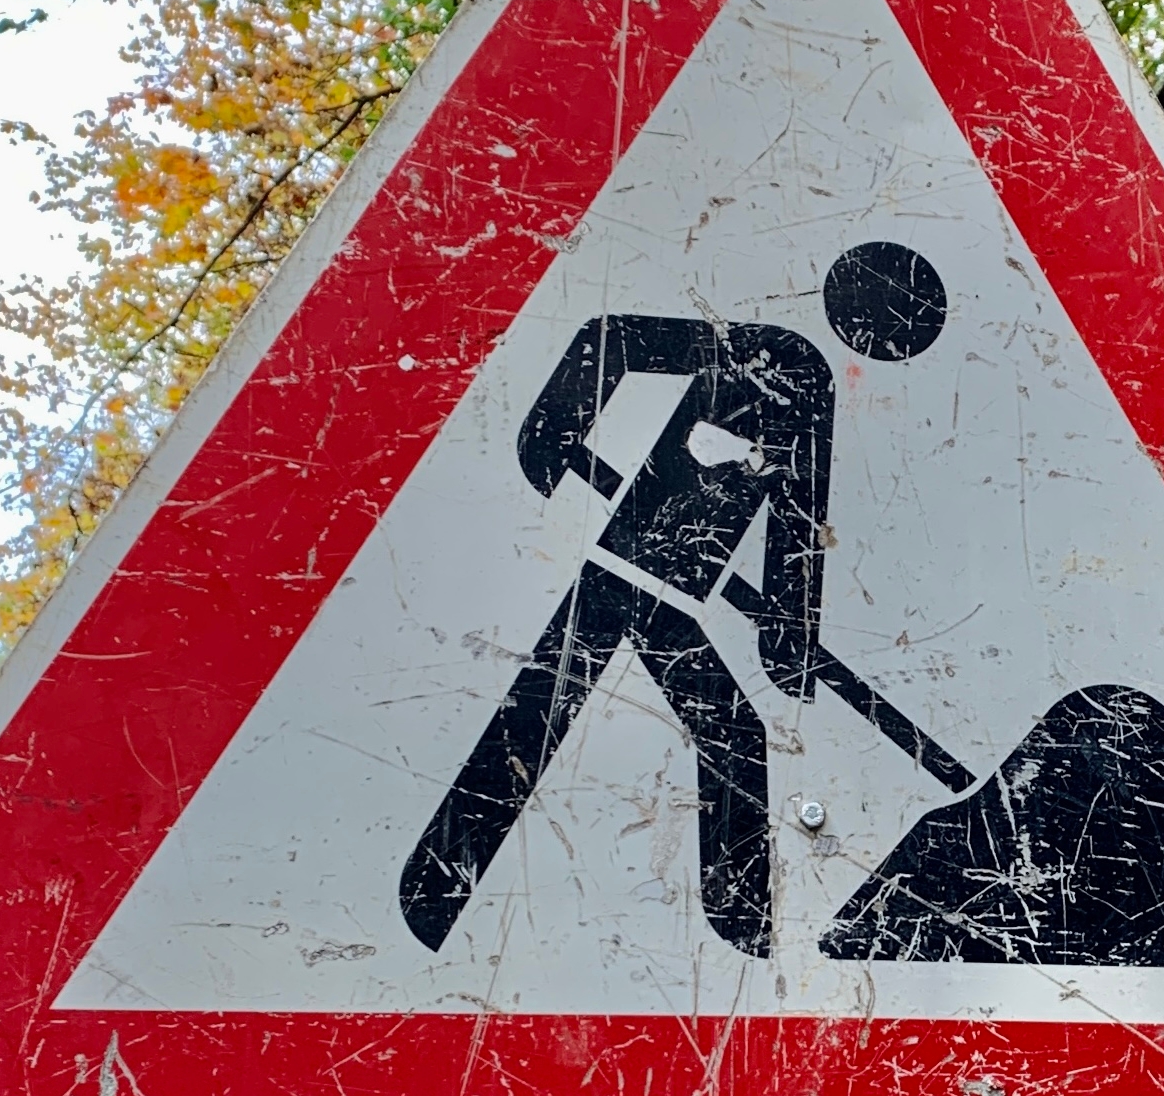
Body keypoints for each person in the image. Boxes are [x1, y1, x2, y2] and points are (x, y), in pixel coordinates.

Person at [399, 240, 947, 955]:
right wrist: (551, 448)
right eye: (898, 331)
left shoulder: (811, 384)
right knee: (564, 717)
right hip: (623, 567)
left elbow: (795, 525)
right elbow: (609, 340)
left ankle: (737, 937)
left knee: (596, 718)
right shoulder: (776, 352)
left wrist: (786, 637)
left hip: (671, 591)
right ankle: (432, 897)